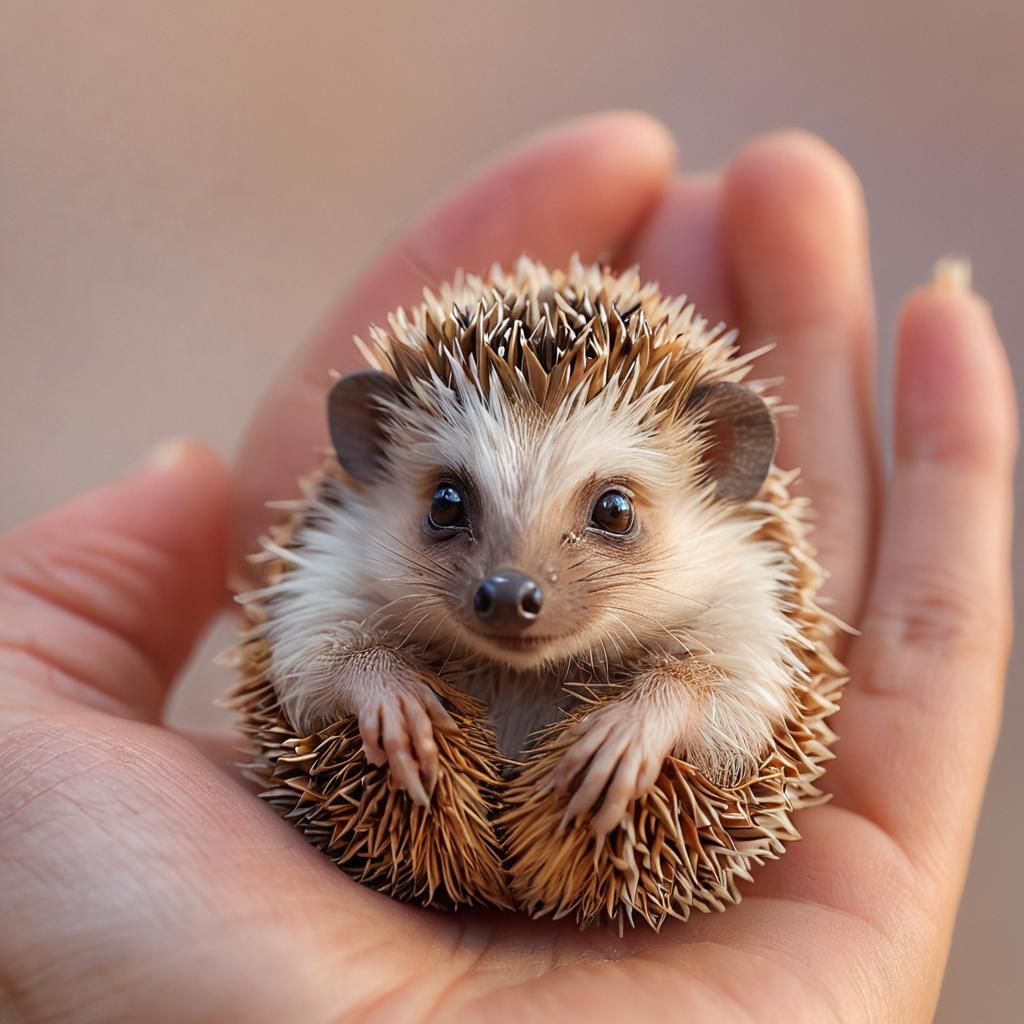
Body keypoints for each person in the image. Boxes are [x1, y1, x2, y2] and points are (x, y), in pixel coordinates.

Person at [0, 112, 1015, 1023]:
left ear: (717, 473)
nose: (511, 581)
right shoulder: (345, 559)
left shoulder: (738, 583)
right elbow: (305, 659)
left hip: (610, 849)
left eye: (609, 514)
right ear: (372, 462)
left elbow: (752, 699)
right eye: (451, 508)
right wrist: (367, 675)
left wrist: (670, 703)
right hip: (405, 830)